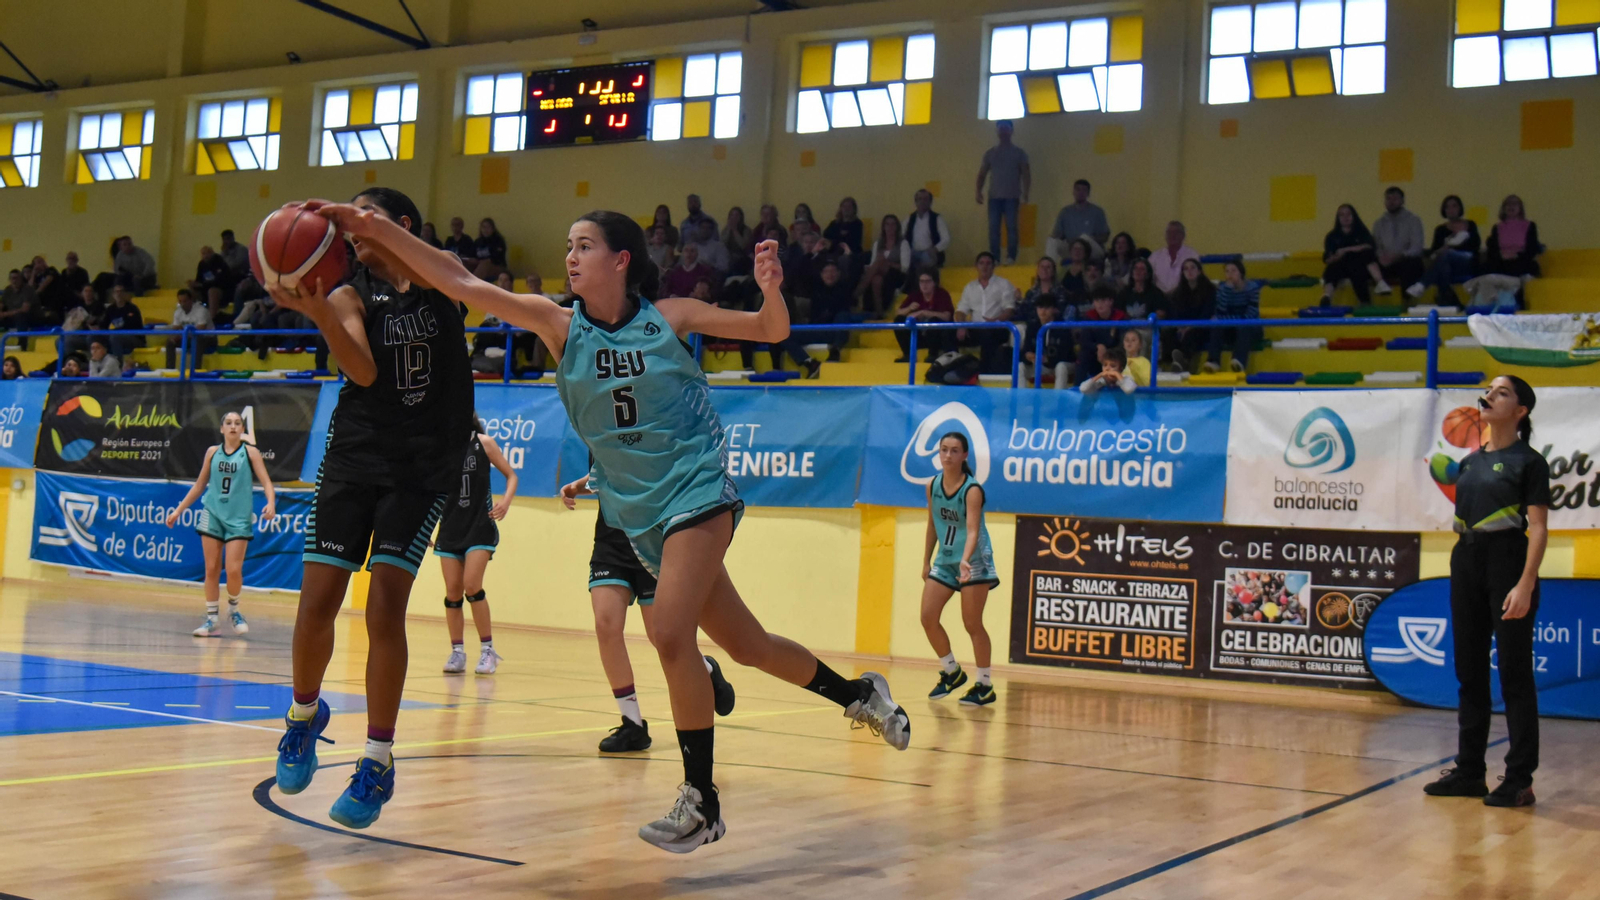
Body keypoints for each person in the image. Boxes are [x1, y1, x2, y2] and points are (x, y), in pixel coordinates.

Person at [315, 203, 910, 852]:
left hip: (699, 491)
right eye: (568, 245)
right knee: (746, 644)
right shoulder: (557, 326)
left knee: (668, 630)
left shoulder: (669, 316)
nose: (571, 256)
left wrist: (771, 288)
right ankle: (858, 693)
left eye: (586, 246)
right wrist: (375, 229)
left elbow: (770, 330)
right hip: (638, 514)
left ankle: (701, 801)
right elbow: (459, 283)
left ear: (620, 261)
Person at [265, 187, 473, 832]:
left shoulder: (443, 278)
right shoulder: (349, 292)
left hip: (421, 467)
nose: (351, 232)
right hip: (357, 456)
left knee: (384, 606)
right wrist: (316, 311)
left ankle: (378, 760)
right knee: (316, 600)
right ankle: (303, 717)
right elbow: (360, 371)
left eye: (365, 218)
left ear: (400, 224)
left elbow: (446, 273)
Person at [1424, 375, 1548, 809]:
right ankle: (1469, 772)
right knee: (1469, 671)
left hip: (1508, 563)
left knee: (1514, 675)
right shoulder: (1470, 462)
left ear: (1520, 411)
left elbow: (1538, 529)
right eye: (1489, 390)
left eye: (1502, 392)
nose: (1490, 395)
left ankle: (1519, 780)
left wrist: (1525, 583)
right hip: (1467, 561)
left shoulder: (1529, 461)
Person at [560, 474, 739, 752]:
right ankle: (632, 724)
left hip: (651, 538)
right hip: (611, 542)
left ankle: (707, 669)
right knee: (605, 624)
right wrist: (577, 486)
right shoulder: (596, 433)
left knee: (662, 636)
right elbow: (606, 472)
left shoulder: (655, 434)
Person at [165, 410, 276, 637]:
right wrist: (178, 510)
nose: (233, 426)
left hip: (238, 517)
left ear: (243, 429)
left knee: (234, 569)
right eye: (229, 422)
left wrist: (271, 503)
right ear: (222, 428)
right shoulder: (212, 452)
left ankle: (234, 610)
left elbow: (266, 482)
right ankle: (211, 619)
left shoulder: (250, 453)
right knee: (211, 568)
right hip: (212, 513)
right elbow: (199, 485)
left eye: (237, 423)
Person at [920, 432, 1000, 707]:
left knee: (972, 623)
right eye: (944, 449)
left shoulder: (972, 489)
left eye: (955, 451)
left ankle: (985, 684)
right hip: (946, 558)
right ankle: (952, 672)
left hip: (975, 558)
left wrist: (965, 560)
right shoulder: (933, 484)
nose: (948, 455)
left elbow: (973, 529)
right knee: (928, 616)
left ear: (965, 455)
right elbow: (932, 523)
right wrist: (925, 560)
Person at [435, 418, 517, 676]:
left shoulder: (484, 443)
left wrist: (505, 501)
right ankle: (457, 652)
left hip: (479, 525)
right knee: (452, 592)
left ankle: (488, 650)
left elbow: (511, 475)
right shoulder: (439, 447)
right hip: (449, 527)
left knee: (472, 585)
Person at [975, 120, 1030, 264]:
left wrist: (1026, 193)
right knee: (993, 229)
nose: (1003, 131)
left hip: (1012, 196)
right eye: (1001, 129)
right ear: (997, 131)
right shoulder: (990, 153)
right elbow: (982, 174)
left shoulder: (1019, 153)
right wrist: (978, 191)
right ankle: (995, 258)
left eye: (1006, 128)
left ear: (1012, 131)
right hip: (994, 198)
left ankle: (1011, 257)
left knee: (1012, 228)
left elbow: (1026, 173)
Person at [1408, 195, 1480, 304]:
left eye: (1454, 206)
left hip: (1467, 261)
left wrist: (1453, 246)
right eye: (1448, 207)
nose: (1451, 210)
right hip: (1448, 265)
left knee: (1447, 255)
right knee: (1443, 265)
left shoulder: (1470, 225)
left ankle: (1422, 284)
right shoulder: (1441, 230)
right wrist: (1445, 247)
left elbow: (1475, 246)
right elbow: (1434, 251)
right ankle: (1450, 301)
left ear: (1460, 208)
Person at [956, 252, 1018, 375]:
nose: (985, 266)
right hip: (976, 329)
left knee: (988, 334)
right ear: (976, 266)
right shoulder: (970, 287)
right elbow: (960, 310)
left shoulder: (1004, 284)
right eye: (981, 263)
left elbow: (1009, 310)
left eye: (988, 263)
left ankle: (983, 373)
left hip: (997, 328)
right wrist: (961, 324)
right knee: (948, 332)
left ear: (993, 266)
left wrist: (995, 320)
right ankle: (954, 370)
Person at [1320, 204, 1385, 306]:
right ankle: (1326, 296)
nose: (1345, 218)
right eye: (1342, 215)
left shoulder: (1362, 232)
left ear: (1354, 216)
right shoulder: (1332, 236)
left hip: (1359, 266)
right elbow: (1328, 257)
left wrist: (1345, 250)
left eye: (1348, 214)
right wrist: (1336, 257)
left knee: (1357, 269)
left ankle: (1366, 300)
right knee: (1332, 269)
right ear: (1338, 218)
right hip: (1341, 266)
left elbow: (1369, 247)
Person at [1206, 259, 1263, 373]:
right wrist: (1227, 290)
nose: (1230, 274)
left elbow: (1250, 316)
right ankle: (1213, 362)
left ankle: (1239, 362)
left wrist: (1225, 320)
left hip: (1251, 329)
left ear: (1240, 272)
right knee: (1217, 328)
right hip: (1231, 328)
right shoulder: (1222, 289)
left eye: (1233, 271)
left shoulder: (1252, 288)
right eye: (1227, 271)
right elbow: (1220, 312)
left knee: (1244, 326)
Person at [893, 269, 954, 362]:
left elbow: (946, 316)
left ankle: (933, 355)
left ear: (934, 282)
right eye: (921, 281)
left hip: (937, 337)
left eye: (928, 281)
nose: (924, 285)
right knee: (899, 320)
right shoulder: (915, 295)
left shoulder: (942, 294)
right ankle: (908, 355)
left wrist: (924, 312)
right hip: (918, 335)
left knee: (934, 320)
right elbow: (898, 312)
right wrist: (909, 309)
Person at [1165, 258, 1214, 372]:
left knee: (1191, 335)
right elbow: (1176, 314)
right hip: (1184, 327)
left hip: (1203, 327)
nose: (1189, 271)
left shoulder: (1210, 290)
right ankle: (1169, 363)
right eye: (1186, 269)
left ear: (1199, 271)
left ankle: (1184, 363)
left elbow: (1207, 314)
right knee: (1168, 333)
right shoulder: (1178, 293)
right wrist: (1180, 327)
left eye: (1192, 267)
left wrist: (1189, 328)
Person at [1374, 186, 1424, 292]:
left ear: (1402, 201)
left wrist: (1398, 256)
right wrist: (1382, 258)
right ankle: (1368, 302)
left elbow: (1417, 248)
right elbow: (1376, 246)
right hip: (1386, 263)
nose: (1391, 202)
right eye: (1388, 199)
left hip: (1406, 261)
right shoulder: (1379, 223)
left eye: (1395, 199)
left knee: (1411, 264)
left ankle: (1407, 302)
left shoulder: (1413, 220)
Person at [860, 214, 911, 317]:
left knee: (879, 262)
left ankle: (859, 290)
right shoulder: (877, 243)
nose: (890, 227)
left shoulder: (903, 243)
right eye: (887, 224)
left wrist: (887, 263)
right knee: (876, 279)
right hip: (878, 273)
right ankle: (879, 311)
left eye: (893, 224)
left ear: (897, 227)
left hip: (896, 275)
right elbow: (872, 264)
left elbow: (905, 267)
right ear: (883, 227)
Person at [1049, 179, 1110, 260]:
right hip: (1072, 248)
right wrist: (1055, 238)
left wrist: (1091, 239)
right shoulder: (1065, 212)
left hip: (1092, 250)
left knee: (1084, 238)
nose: (1080, 192)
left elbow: (1105, 236)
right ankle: (1048, 266)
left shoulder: (1097, 212)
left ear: (1088, 193)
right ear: (1073, 192)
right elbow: (1058, 235)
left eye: (1084, 190)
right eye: (1078, 189)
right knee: (1051, 241)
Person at [1485, 194, 1543, 280]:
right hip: (1502, 262)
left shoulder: (1530, 225)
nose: (1511, 206)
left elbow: (1532, 249)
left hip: (1522, 261)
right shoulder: (1497, 227)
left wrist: (1516, 255)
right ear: (1503, 208)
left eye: (1515, 204)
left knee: (1527, 267)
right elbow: (1492, 249)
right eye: (1508, 204)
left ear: (1520, 208)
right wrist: (1502, 255)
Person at [1022, 294, 1072, 389]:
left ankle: (1059, 401)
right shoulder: (1032, 327)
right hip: (1041, 365)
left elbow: (1066, 354)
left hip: (1062, 363)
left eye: (1047, 307)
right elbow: (1026, 349)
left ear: (1054, 309)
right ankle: (1021, 400)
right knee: (1020, 366)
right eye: (1040, 307)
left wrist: (1047, 359)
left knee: (1061, 367)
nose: (1043, 311)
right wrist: (1028, 355)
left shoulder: (1062, 327)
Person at [810, 260, 855, 362]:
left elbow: (841, 311)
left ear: (839, 273)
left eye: (833, 271)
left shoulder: (845, 290)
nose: (830, 274)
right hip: (818, 330)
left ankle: (835, 351)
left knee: (843, 316)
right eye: (826, 271)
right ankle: (808, 362)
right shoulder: (816, 291)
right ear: (821, 274)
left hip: (835, 331)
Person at [1077, 286, 1127, 369]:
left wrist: (1108, 353)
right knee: (1083, 356)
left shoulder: (1121, 318)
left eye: (1103, 300)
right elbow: (1084, 340)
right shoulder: (1089, 317)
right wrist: (1098, 346)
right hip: (1095, 355)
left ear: (1111, 301)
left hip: (1114, 354)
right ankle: (1079, 382)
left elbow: (1122, 342)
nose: (1100, 304)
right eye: (1097, 301)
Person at [165, 288, 214, 369]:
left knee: (197, 340)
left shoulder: (201, 310)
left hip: (208, 338)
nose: (183, 304)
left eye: (185, 301)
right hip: (188, 337)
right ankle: (170, 369)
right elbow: (175, 328)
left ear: (191, 300)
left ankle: (195, 370)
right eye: (180, 301)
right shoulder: (178, 312)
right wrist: (178, 336)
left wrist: (183, 331)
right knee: (170, 342)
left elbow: (201, 329)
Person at [906, 188, 951, 272]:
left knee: (925, 265)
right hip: (913, 252)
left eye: (925, 199)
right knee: (904, 262)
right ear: (915, 202)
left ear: (930, 202)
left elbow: (946, 239)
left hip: (929, 252)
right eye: (920, 199)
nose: (922, 201)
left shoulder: (937, 218)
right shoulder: (909, 219)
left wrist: (935, 249)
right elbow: (902, 237)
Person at [1017, 256, 1068, 329]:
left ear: (1053, 271)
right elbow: (1024, 312)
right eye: (1042, 267)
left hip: (1055, 327)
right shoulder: (1031, 292)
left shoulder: (1060, 291)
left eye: (1048, 267)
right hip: (1033, 327)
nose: (1044, 270)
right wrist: (1019, 300)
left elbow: (1061, 311)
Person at [1151, 221, 1200, 295]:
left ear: (1183, 236)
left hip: (1185, 298)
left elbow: (1196, 280)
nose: (1173, 235)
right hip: (1159, 300)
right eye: (1169, 233)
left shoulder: (1192, 255)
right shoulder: (1155, 257)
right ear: (1166, 236)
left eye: (1177, 232)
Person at [104, 285, 145, 360]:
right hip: (118, 336)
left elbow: (134, 327)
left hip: (135, 338)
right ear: (113, 295)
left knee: (114, 337)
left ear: (125, 294)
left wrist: (115, 331)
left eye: (121, 291)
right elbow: (104, 326)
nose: (119, 294)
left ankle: (118, 364)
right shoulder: (110, 309)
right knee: (95, 337)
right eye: (116, 292)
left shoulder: (132, 308)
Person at [0, 269, 37, 335]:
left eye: (16, 278)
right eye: (12, 278)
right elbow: (1, 304)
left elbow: (24, 309)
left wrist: (5, 314)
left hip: (29, 317)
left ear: (21, 279)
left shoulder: (28, 289)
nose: (14, 281)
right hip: (12, 317)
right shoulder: (8, 290)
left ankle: (22, 343)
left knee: (20, 317)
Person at [721, 206, 754, 272]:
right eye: (732, 215)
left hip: (742, 258)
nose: (734, 218)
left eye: (736, 215)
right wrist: (729, 230)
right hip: (728, 257)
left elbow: (744, 246)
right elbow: (722, 243)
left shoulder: (746, 230)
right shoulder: (726, 229)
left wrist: (735, 230)